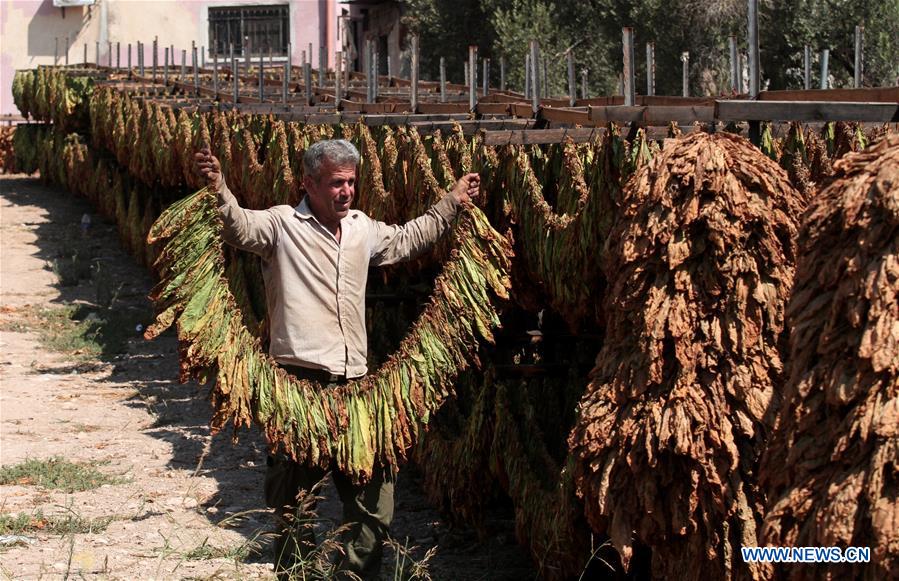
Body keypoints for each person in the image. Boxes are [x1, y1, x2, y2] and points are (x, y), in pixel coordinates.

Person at [194, 139, 480, 579]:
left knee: (374, 508)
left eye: (351, 182)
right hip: (297, 387)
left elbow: (407, 239)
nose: (345, 192)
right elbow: (236, 226)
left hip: (357, 388)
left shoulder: (362, 229)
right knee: (293, 507)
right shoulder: (281, 226)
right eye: (335, 183)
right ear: (307, 182)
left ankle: (355, 575)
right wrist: (218, 187)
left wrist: (451, 203)